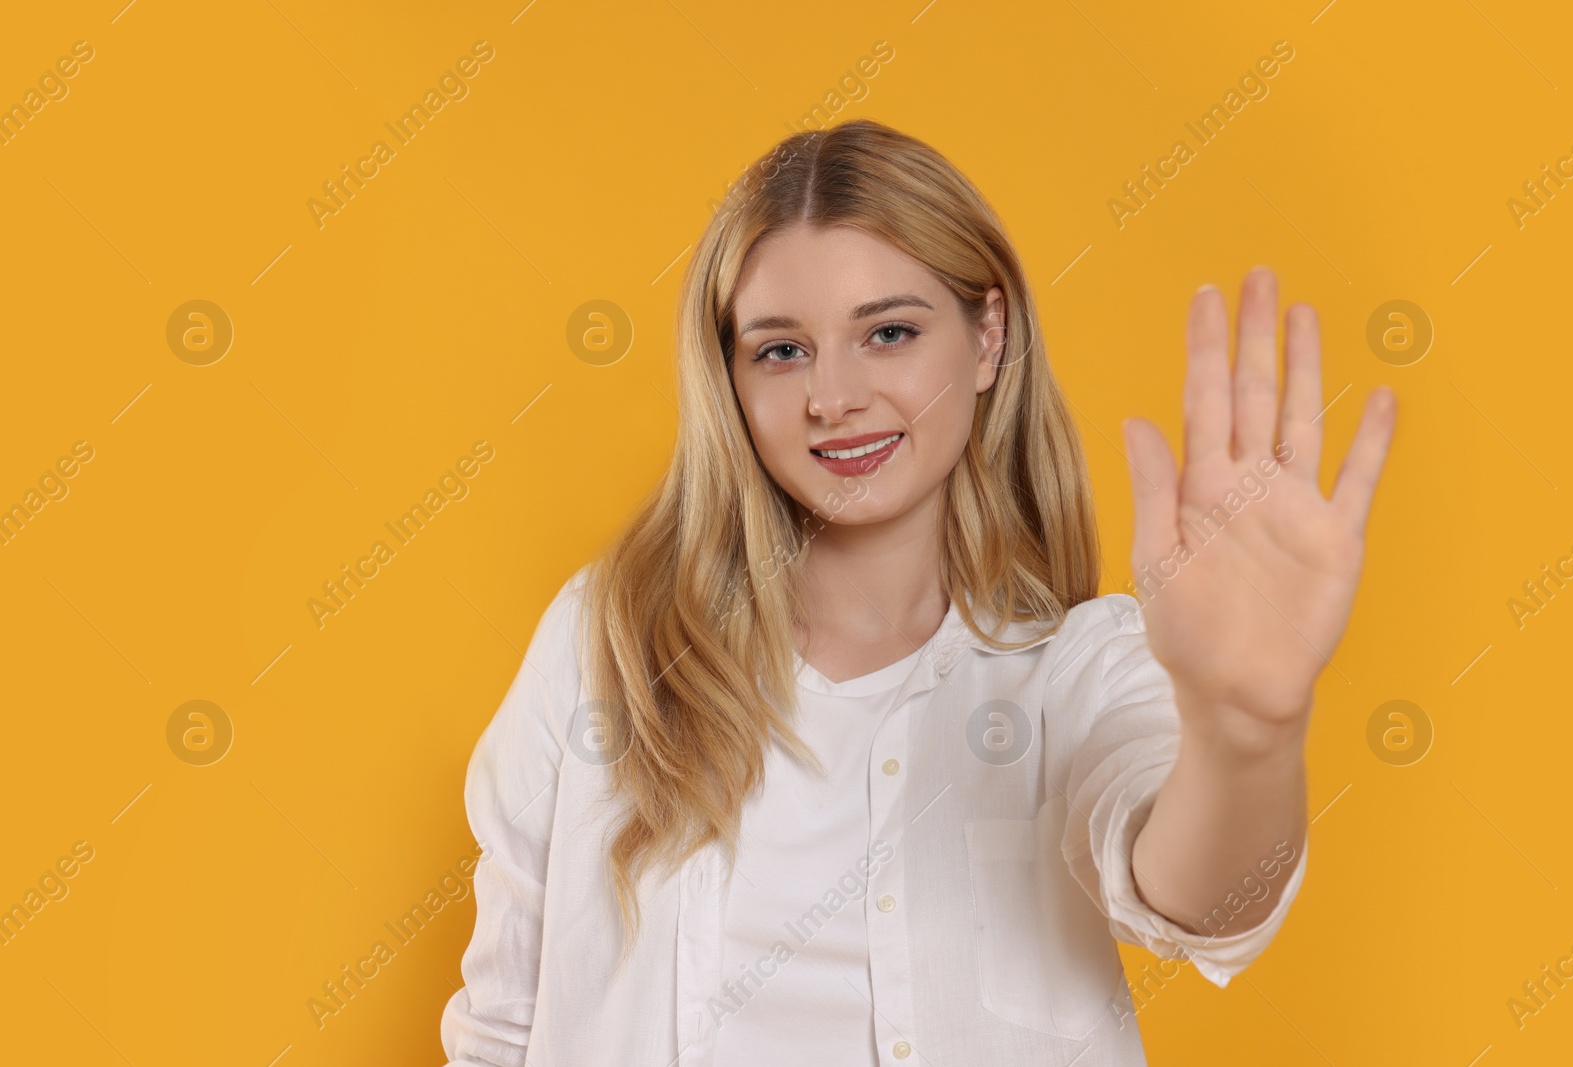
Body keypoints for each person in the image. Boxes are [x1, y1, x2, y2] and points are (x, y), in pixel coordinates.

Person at [438, 118, 1397, 1066]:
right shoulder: (605, 643)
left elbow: (1206, 898)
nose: (833, 396)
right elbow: (501, 1027)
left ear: (988, 339)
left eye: (888, 332)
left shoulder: (1075, 672)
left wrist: (1248, 729)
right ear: (727, 374)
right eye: (781, 349)